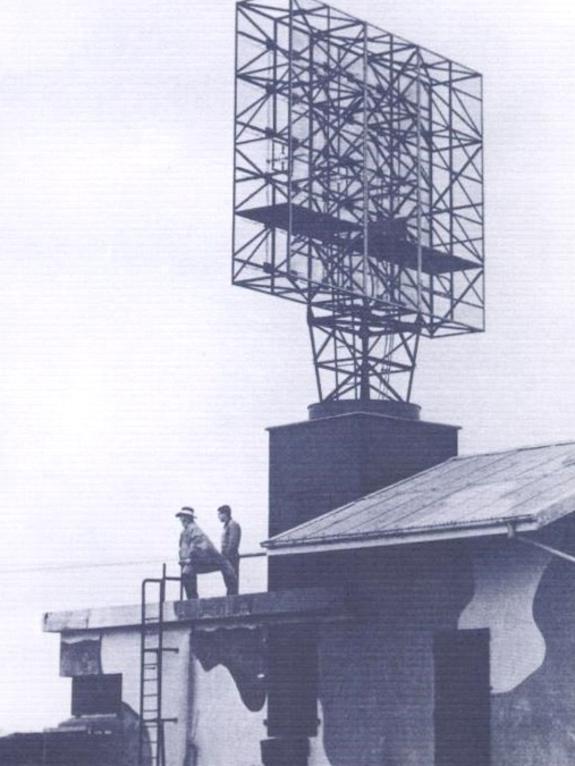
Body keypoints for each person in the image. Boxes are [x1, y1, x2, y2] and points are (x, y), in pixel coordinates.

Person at [176, 507, 237, 599]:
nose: (181, 520)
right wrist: (183, 559)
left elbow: (200, 545)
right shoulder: (185, 532)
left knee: (228, 571)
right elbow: (183, 548)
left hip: (204, 558)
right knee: (187, 574)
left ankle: (193, 600)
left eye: (183, 517)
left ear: (188, 518)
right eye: (181, 517)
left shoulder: (193, 528)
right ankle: (192, 600)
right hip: (192, 560)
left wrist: (190, 559)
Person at [217, 504, 242, 595]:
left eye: (220, 514)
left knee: (232, 582)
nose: (218, 516)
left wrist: (226, 556)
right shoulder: (226, 526)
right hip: (225, 558)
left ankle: (232, 601)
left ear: (225, 514)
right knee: (228, 582)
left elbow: (233, 543)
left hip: (231, 558)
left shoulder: (233, 524)